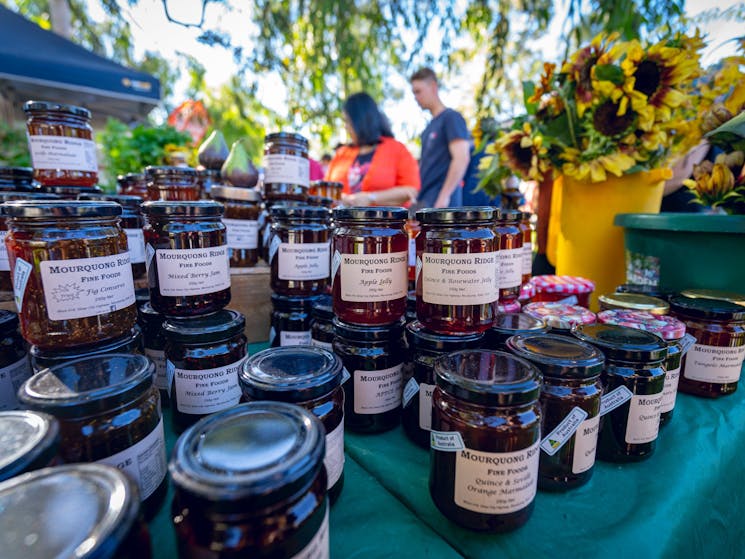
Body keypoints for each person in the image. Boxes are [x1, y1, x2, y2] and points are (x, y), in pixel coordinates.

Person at [325, 92, 420, 206]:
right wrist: (345, 198)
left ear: (360, 120)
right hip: (341, 221)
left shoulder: (397, 149)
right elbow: (325, 189)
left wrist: (371, 198)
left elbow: (410, 190)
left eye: (348, 121)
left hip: (385, 222)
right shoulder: (342, 153)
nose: (345, 126)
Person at [410, 67, 471, 208]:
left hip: (442, 205)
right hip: (425, 199)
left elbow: (461, 158)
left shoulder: (451, 118)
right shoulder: (428, 128)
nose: (416, 98)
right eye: (414, 93)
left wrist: (444, 197)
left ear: (433, 87)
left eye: (418, 91)